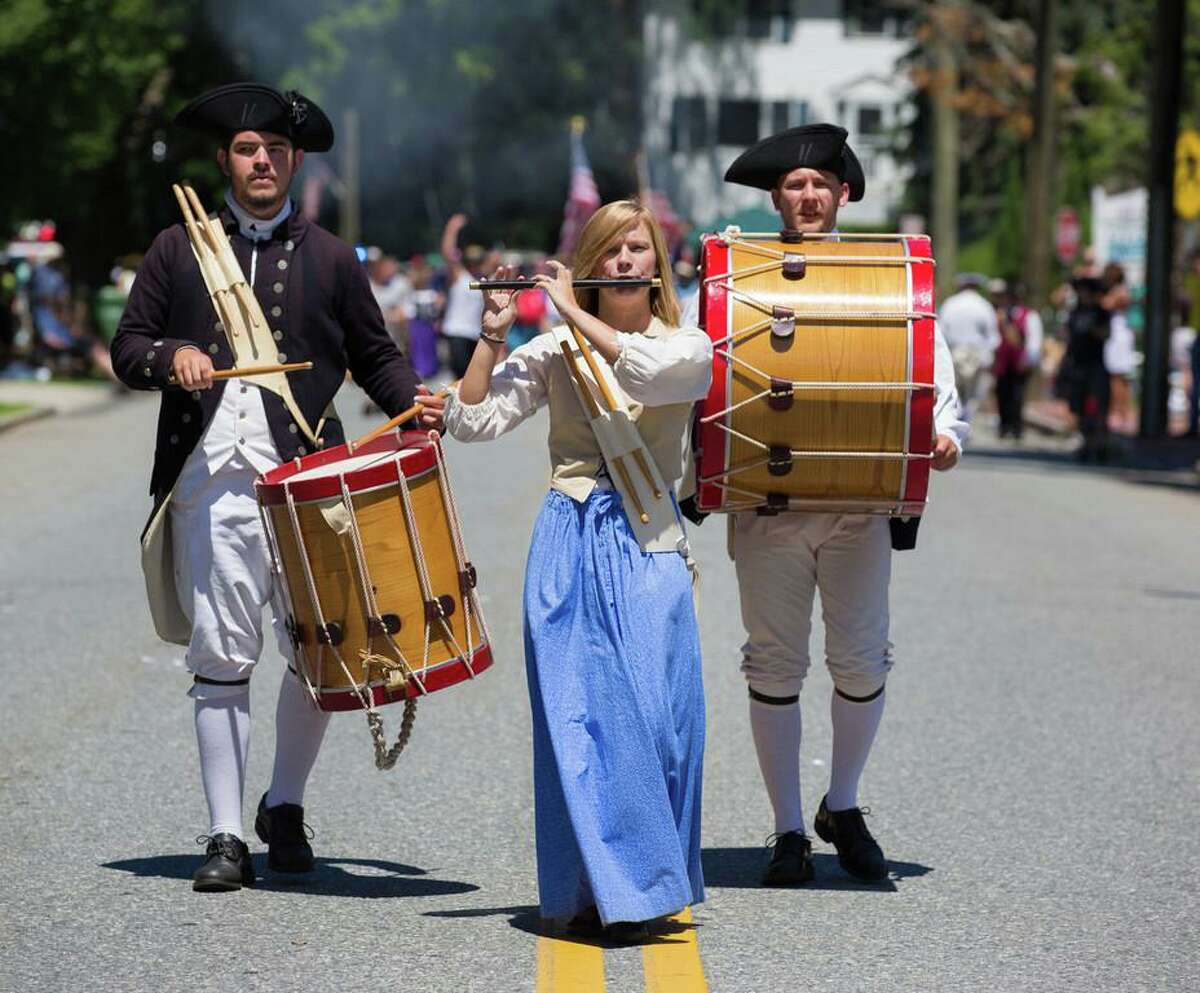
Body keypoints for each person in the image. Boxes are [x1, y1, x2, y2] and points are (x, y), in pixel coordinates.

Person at [110, 83, 443, 893]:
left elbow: (374, 354)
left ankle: (282, 804)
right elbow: (129, 348)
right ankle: (227, 833)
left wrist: (414, 402)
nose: (264, 162)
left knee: (319, 652)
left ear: (294, 162)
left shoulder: (331, 258)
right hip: (213, 482)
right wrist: (173, 357)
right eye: (250, 150)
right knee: (224, 654)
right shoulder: (175, 249)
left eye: (278, 151)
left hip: (307, 482)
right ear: (226, 161)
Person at [685, 123, 967, 885]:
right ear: (776, 197)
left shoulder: (885, 274)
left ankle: (842, 803)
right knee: (773, 661)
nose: (806, 196)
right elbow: (690, 364)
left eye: (820, 185)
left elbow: (926, 361)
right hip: (767, 506)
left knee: (862, 656)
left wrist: (943, 431)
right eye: (794, 186)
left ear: (843, 193)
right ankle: (786, 828)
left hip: (860, 505)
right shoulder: (738, 273)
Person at [444, 200, 711, 941]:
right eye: (611, 248)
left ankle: (648, 879)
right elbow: (471, 420)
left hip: (650, 537)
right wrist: (494, 335)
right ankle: (598, 890)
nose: (625, 260)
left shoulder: (686, 343)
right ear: (593, 260)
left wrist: (567, 308)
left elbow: (651, 372)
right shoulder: (552, 349)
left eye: (637, 247)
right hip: (569, 535)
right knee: (581, 720)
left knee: (659, 721)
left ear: (656, 262)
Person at [439, 213, 496, 378]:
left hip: (475, 334)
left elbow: (496, 257)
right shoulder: (459, 275)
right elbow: (447, 254)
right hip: (457, 332)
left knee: (473, 377)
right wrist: (452, 229)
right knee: (460, 375)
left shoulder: (485, 279)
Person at [938, 272, 1000, 423]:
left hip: (954, 353)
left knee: (955, 389)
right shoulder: (984, 306)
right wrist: (988, 357)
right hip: (977, 354)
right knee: (974, 393)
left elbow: (941, 331)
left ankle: (956, 419)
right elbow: (993, 337)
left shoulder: (950, 304)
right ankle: (967, 420)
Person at [1061, 275, 1112, 460]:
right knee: (1079, 406)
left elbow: (1106, 334)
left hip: (1095, 365)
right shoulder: (1075, 312)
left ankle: (1099, 444)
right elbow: (1067, 335)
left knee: (1096, 407)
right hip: (1077, 364)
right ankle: (1085, 442)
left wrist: (1092, 328)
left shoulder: (1101, 312)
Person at [991, 280, 1044, 441]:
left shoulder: (1029, 315)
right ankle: (1004, 425)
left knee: (1017, 395)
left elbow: (1034, 340)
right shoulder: (999, 314)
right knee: (1002, 393)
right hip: (1002, 361)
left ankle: (1016, 426)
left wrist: (1029, 360)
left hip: (1019, 361)